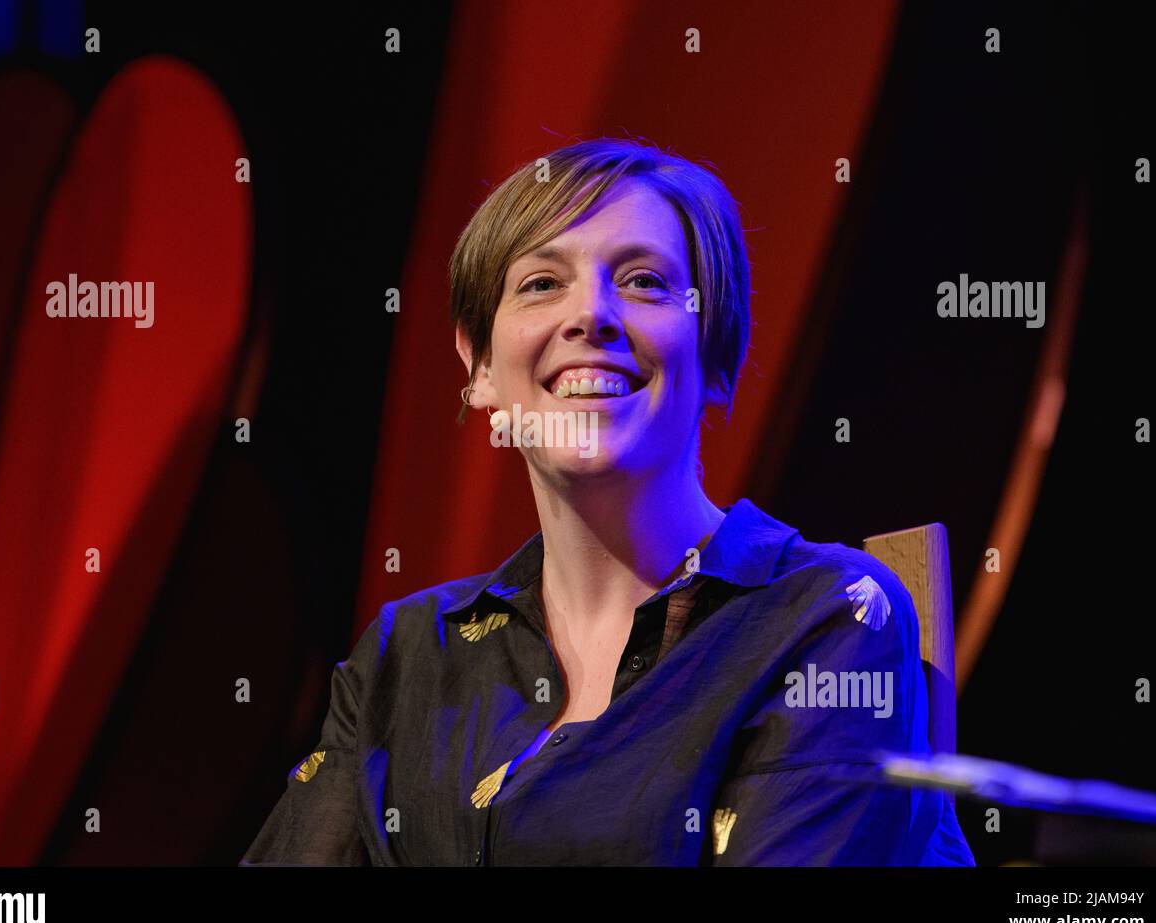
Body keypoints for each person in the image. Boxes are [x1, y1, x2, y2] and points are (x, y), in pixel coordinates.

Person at [241, 138, 975, 866]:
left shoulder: (825, 617)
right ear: (479, 369)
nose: (591, 314)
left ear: (716, 359)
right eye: (540, 284)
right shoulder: (406, 655)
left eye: (646, 282)